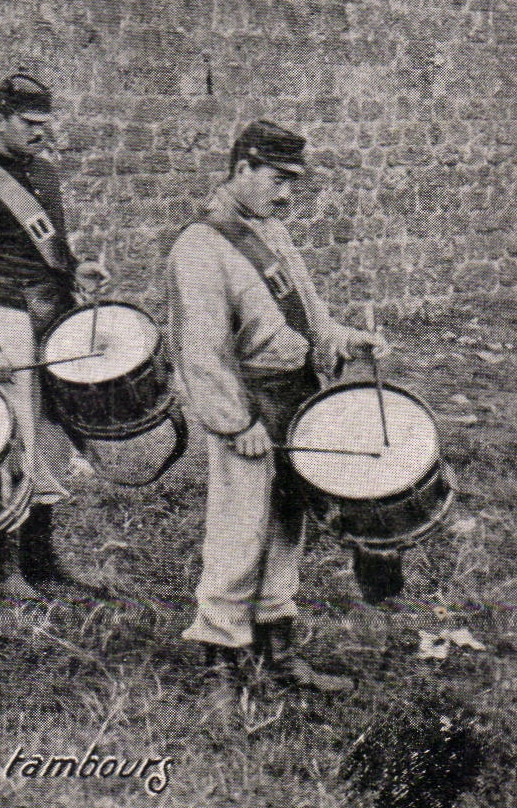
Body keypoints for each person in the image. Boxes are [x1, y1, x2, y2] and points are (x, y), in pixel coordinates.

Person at [165, 120, 389, 714]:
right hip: (249, 403)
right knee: (239, 527)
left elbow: (304, 314)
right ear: (242, 168)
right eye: (278, 178)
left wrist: (341, 336)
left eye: (295, 180)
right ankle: (219, 652)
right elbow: (202, 349)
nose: (288, 192)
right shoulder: (201, 246)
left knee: (288, 523)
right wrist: (236, 424)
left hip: (297, 396)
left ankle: (276, 644)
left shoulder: (272, 231)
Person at [0, 73, 108, 599]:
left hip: (50, 316)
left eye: (45, 122)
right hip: (4, 317)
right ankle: (3, 564)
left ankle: (41, 558)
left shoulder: (46, 176)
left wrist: (77, 270)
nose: (42, 132)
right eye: (30, 123)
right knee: (13, 442)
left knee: (54, 438)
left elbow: (49, 253)